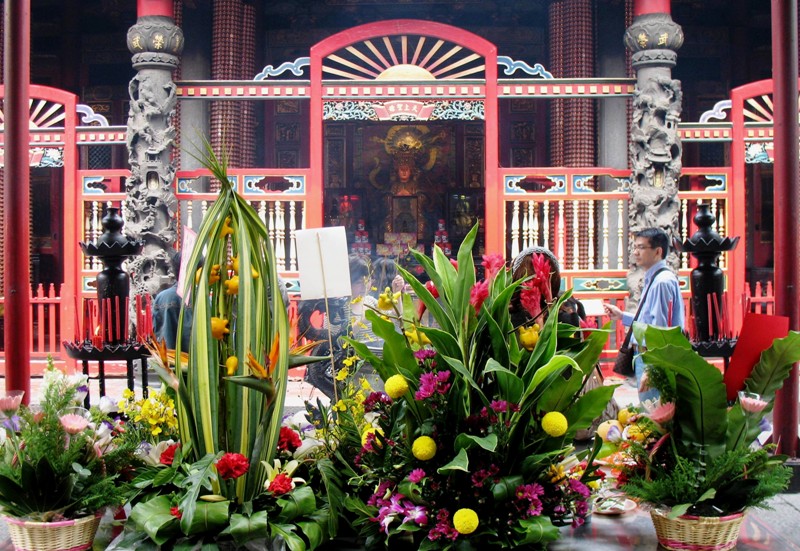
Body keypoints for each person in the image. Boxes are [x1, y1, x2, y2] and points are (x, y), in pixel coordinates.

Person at [604, 228, 685, 402]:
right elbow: (648, 321)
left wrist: (652, 369)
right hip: (645, 356)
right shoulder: (654, 278)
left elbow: (660, 331)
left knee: (654, 411)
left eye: (641, 247)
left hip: (652, 358)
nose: (635, 252)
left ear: (658, 251)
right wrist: (622, 316)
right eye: (635, 247)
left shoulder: (662, 282)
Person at [297, 254, 377, 399]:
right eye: (359, 282)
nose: (365, 286)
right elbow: (335, 340)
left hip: (371, 368)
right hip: (345, 369)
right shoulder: (338, 308)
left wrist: (397, 296)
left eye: (368, 280)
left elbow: (395, 326)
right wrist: (361, 322)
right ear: (348, 282)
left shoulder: (372, 303)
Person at [152, 251, 192, 351]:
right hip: (195, 362)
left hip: (167, 360)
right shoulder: (201, 299)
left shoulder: (161, 297)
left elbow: (155, 330)